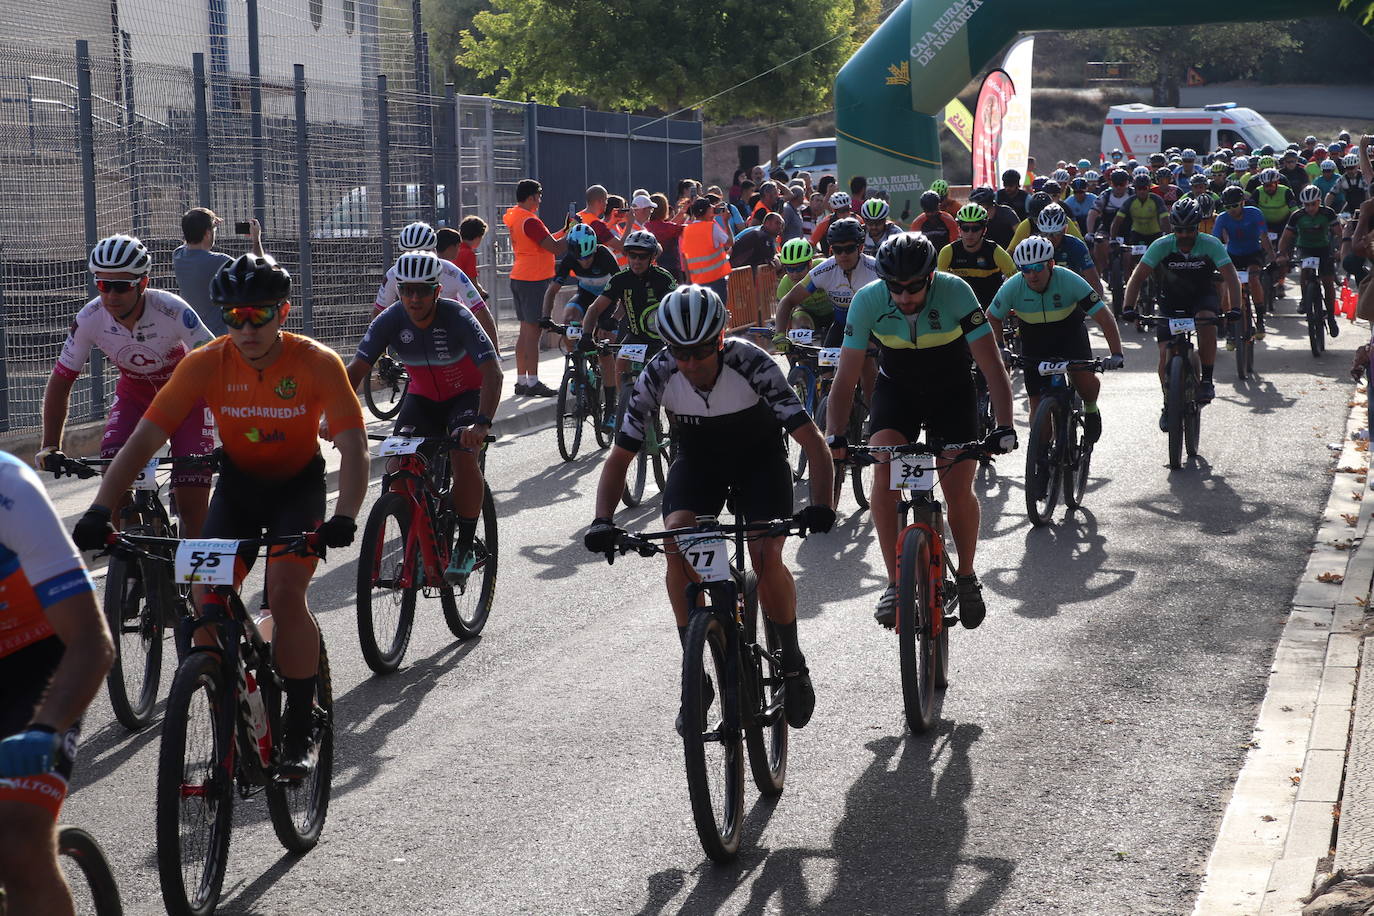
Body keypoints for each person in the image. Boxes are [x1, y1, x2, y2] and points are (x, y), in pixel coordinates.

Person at [73, 253, 369, 778]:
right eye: (234, 316)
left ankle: (299, 726)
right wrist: (101, 508)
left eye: (259, 314)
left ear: (284, 311)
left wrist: (344, 515)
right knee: (204, 604)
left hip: (295, 492)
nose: (247, 327)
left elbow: (354, 447)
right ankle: (229, 714)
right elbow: (143, 440)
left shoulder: (316, 362)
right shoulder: (206, 362)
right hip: (237, 489)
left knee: (283, 593)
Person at [583, 285, 832, 732]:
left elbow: (813, 443)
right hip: (698, 463)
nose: (692, 364)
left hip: (759, 461)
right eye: (682, 354)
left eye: (701, 352)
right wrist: (602, 521)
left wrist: (821, 505)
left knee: (764, 554)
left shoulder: (754, 363)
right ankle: (694, 674)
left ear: (719, 340)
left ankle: (792, 661)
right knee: (677, 542)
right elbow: (620, 455)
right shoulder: (657, 373)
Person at [825, 232, 1015, 628]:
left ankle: (965, 575)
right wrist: (836, 435)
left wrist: (1004, 425)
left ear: (931, 277)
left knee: (957, 486)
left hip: (952, 391)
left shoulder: (956, 292)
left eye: (913, 287)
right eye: (896, 287)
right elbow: (844, 379)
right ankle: (895, 582)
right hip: (898, 392)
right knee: (883, 469)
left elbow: (991, 365)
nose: (904, 296)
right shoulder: (868, 300)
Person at [37, 235, 214, 539]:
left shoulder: (171, 309)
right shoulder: (90, 317)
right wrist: (51, 445)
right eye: (103, 285)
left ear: (143, 283)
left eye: (121, 286)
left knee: (192, 503)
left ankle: (196, 580)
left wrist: (235, 430)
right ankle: (127, 568)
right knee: (112, 479)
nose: (111, 295)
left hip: (186, 401)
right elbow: (62, 379)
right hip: (135, 398)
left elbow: (215, 362)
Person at [0, 450, 112, 916]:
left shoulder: (10, 488)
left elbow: (92, 641)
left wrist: (46, 727)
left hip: (36, 665)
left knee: (17, 842)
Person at [349, 251, 502, 583]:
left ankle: (463, 544)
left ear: (436, 291)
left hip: (466, 396)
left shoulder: (457, 316)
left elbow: (493, 372)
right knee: (397, 468)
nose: (414, 298)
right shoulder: (390, 320)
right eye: (406, 290)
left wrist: (482, 423)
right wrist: (335, 416)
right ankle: (416, 542)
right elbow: (355, 372)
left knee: (464, 458)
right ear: (399, 291)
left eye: (422, 290)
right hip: (423, 399)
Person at [988, 237, 1124, 444]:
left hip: (1069, 334)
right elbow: (992, 317)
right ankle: (1041, 459)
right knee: (1036, 405)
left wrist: (1116, 353)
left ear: (1051, 264)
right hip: (1034, 341)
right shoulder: (1014, 285)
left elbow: (1104, 317)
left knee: (1084, 381)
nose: (1032, 275)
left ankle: (1090, 408)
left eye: (1037, 267)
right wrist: (1000, 347)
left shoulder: (1069, 280)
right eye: (1026, 269)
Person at [1122, 197, 1242, 424]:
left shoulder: (1211, 244)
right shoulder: (1161, 245)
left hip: (1202, 297)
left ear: (1198, 228)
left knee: (1207, 321)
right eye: (1179, 231)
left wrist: (1235, 308)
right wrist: (1128, 307)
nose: (1185, 236)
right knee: (1164, 352)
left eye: (1189, 231)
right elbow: (1137, 278)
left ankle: (1206, 380)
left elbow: (1231, 278)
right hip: (1171, 300)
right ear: (1173, 229)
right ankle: (1168, 403)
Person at [578, 229, 677, 428]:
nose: (636, 261)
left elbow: (677, 308)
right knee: (620, 362)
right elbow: (594, 308)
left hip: (662, 340)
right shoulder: (620, 279)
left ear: (652, 257)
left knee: (670, 389)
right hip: (635, 337)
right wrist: (587, 335)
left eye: (642, 256)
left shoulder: (664, 279)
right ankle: (616, 406)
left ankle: (676, 432)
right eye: (632, 255)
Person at [374, 221, 498, 343]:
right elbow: (379, 314)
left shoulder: (451, 271)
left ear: (434, 251)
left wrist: (494, 354)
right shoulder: (393, 274)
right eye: (410, 255)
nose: (417, 259)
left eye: (423, 254)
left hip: (449, 334)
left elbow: (480, 311)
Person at [502, 179, 568, 397]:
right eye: (539, 195)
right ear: (531, 197)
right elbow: (556, 248)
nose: (540, 200)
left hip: (520, 276)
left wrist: (564, 231)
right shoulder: (531, 221)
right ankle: (533, 382)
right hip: (534, 279)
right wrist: (574, 233)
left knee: (525, 332)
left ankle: (522, 381)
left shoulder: (517, 217)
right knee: (534, 333)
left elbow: (544, 242)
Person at [173, 208, 264, 335]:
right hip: (218, 337)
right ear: (207, 234)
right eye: (213, 230)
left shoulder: (178, 255)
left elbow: (189, 241)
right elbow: (258, 270)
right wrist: (256, 239)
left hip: (193, 334)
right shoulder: (220, 262)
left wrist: (208, 226)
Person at [1212, 185, 1277, 338]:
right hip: (1233, 254)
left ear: (1242, 203)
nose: (1232, 210)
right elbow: (1214, 242)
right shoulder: (1222, 218)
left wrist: (1273, 258)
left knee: (1254, 278)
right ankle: (1229, 326)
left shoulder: (1255, 214)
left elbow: (1264, 238)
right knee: (1226, 286)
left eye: (1235, 205)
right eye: (1228, 207)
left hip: (1253, 252)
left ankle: (1260, 319)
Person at [1278, 184, 1342, 337]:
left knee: (1328, 281)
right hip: (1305, 248)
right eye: (1306, 205)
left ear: (1319, 202)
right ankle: (1304, 299)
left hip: (1324, 248)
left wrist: (1340, 250)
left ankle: (1331, 316)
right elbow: (1286, 237)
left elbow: (1339, 234)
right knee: (1305, 270)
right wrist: (1281, 253)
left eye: (1313, 204)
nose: (1310, 208)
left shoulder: (1328, 213)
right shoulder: (1297, 216)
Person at [935, 203, 1016, 309]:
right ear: (959, 230)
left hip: (991, 309)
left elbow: (1016, 282)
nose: (969, 233)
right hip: (961, 308)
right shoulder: (948, 252)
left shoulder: (995, 251)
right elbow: (941, 288)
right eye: (965, 228)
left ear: (984, 230)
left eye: (975, 228)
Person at [1034, 204, 1105, 300]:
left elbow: (1094, 281)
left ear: (1065, 230)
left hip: (1071, 297)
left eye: (1056, 233)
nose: (1050, 238)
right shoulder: (1033, 246)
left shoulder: (1076, 246)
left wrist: (1097, 310)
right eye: (1045, 234)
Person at [773, 237, 832, 339]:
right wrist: (783, 338)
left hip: (835, 312)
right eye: (790, 268)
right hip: (810, 316)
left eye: (799, 268)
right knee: (798, 318)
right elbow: (784, 316)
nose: (795, 274)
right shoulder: (785, 284)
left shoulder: (824, 267)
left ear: (809, 264)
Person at [680, 197, 732, 303]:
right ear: (706, 211)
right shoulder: (712, 227)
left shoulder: (686, 230)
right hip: (716, 281)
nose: (713, 208)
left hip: (697, 282)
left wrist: (688, 280)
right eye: (710, 207)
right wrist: (726, 222)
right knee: (718, 314)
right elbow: (730, 242)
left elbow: (684, 256)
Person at [645, 192, 687, 280]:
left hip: (650, 269)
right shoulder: (670, 228)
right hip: (672, 270)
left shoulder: (644, 227)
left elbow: (670, 224)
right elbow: (688, 229)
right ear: (665, 209)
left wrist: (682, 212)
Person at [970, 185, 1019, 250]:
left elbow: (1019, 234)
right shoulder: (975, 217)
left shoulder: (1006, 212)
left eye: (979, 204)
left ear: (987, 203)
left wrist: (1010, 251)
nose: (976, 207)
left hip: (1009, 252)